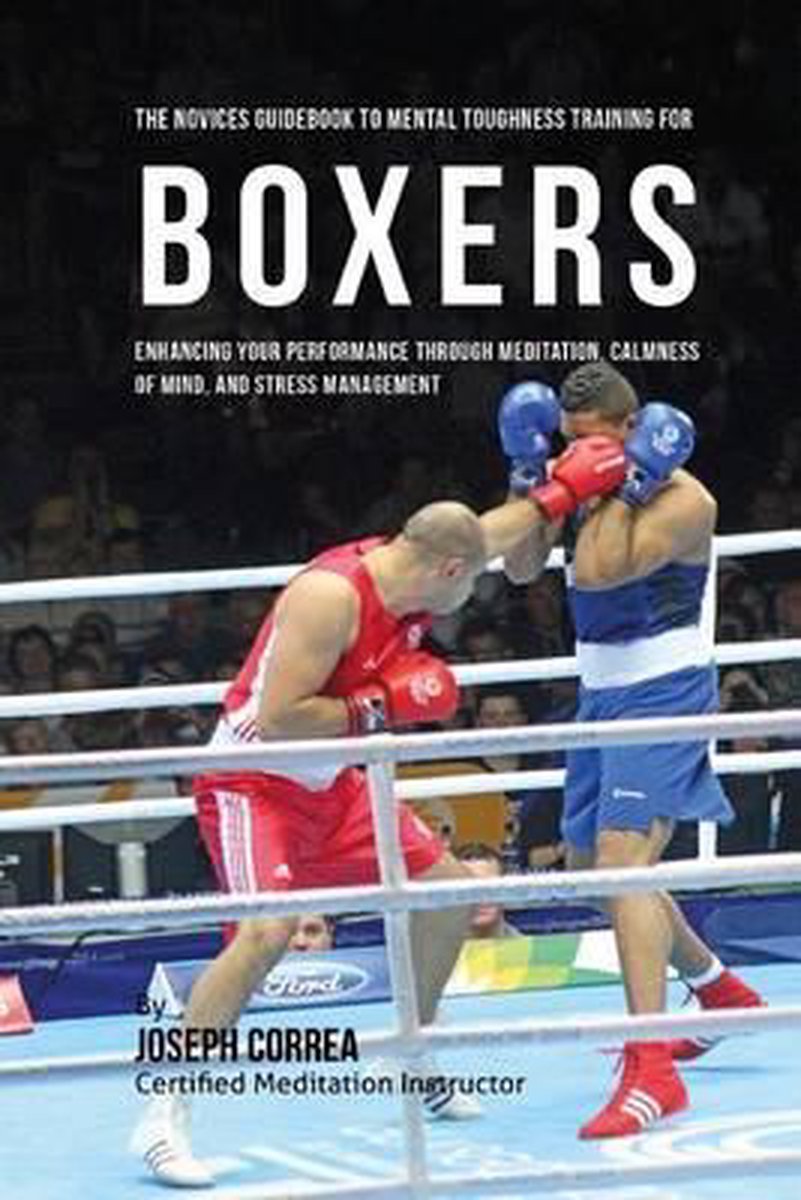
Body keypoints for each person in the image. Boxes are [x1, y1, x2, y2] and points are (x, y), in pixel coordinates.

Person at [132, 469, 628, 1188]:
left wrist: (560, 492)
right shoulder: (329, 596)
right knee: (265, 934)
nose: (471, 598)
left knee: (450, 895)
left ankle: (412, 1050)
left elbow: (491, 534)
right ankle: (165, 1108)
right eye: (470, 582)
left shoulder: (425, 558)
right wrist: (382, 704)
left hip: (336, 785)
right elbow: (279, 718)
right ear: (448, 571)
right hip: (254, 782)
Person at [501, 363, 764, 1140]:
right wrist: (529, 479)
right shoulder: (574, 479)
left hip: (663, 691)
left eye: (590, 442)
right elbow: (520, 569)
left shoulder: (686, 500)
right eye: (565, 442)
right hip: (600, 696)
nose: (574, 455)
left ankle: (650, 1068)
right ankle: (717, 989)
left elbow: (601, 570)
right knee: (593, 870)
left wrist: (628, 482)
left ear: (629, 430)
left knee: (623, 868)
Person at [454, 842, 523, 938]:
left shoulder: (525, 946)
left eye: (488, 887)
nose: (480, 898)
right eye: (469, 889)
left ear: (505, 891)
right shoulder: (435, 946)